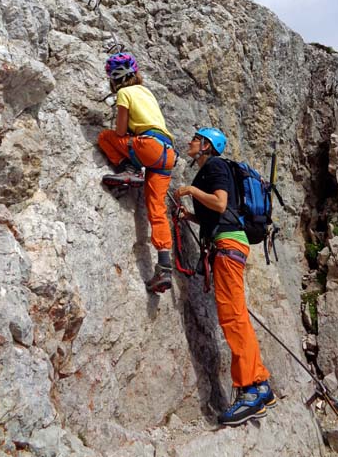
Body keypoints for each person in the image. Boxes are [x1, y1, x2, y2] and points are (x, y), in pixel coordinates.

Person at [174, 126, 276, 426]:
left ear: (207, 145)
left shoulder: (216, 165)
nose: (191, 142)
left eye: (196, 139)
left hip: (228, 245)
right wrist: (190, 216)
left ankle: (248, 391)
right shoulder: (216, 169)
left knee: (233, 317)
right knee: (238, 316)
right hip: (230, 242)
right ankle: (260, 385)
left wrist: (191, 191)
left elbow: (219, 203)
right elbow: (220, 211)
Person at [98, 52, 176, 294]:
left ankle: (128, 171)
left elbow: (120, 132)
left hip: (148, 147)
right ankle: (164, 266)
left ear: (114, 79)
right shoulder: (146, 92)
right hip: (168, 154)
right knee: (157, 210)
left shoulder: (123, 93)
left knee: (106, 137)